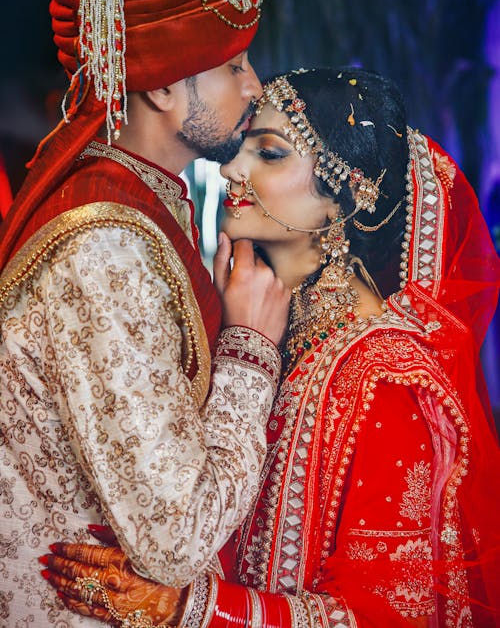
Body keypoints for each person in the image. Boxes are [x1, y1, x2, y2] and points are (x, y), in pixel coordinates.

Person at [43, 67, 500, 627]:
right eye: (243, 149)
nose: (232, 168)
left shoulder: (388, 376)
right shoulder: (266, 332)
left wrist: (188, 608)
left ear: (345, 199)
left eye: (271, 153)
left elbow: (387, 616)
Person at [0, 0, 291, 625]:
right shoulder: (105, 250)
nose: (254, 86)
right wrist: (251, 349)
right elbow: (177, 539)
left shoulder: (142, 199)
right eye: (233, 65)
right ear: (163, 88)